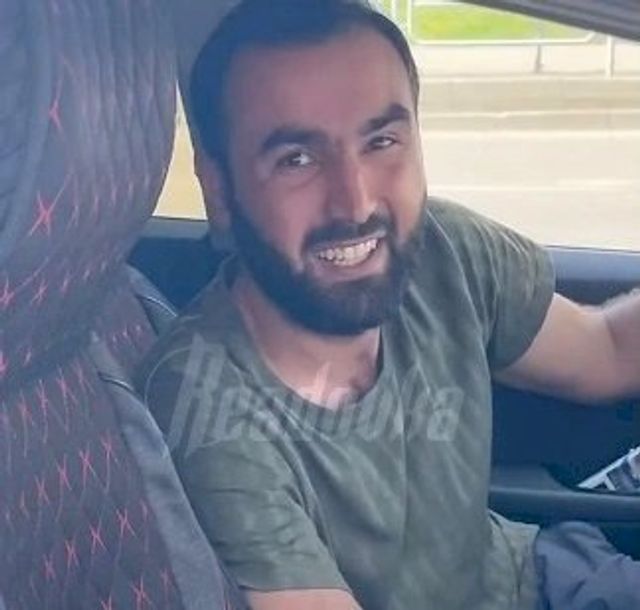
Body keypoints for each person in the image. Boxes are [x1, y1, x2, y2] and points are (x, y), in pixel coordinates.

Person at [136, 1, 640, 608]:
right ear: (219, 189)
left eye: (381, 141)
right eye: (296, 159)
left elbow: (607, 351)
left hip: (536, 573)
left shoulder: (443, 250)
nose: (355, 203)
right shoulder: (201, 407)